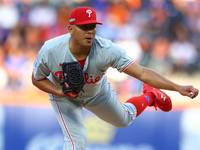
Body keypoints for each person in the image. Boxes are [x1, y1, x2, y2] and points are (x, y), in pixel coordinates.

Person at [32, 7, 199, 150]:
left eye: (93, 26)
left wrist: (178, 87)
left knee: (123, 120)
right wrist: (59, 92)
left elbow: (142, 73)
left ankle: (151, 96)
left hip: (96, 92)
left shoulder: (107, 50)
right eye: (84, 27)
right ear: (70, 29)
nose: (90, 31)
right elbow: (37, 79)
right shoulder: (51, 49)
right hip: (64, 96)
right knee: (76, 141)